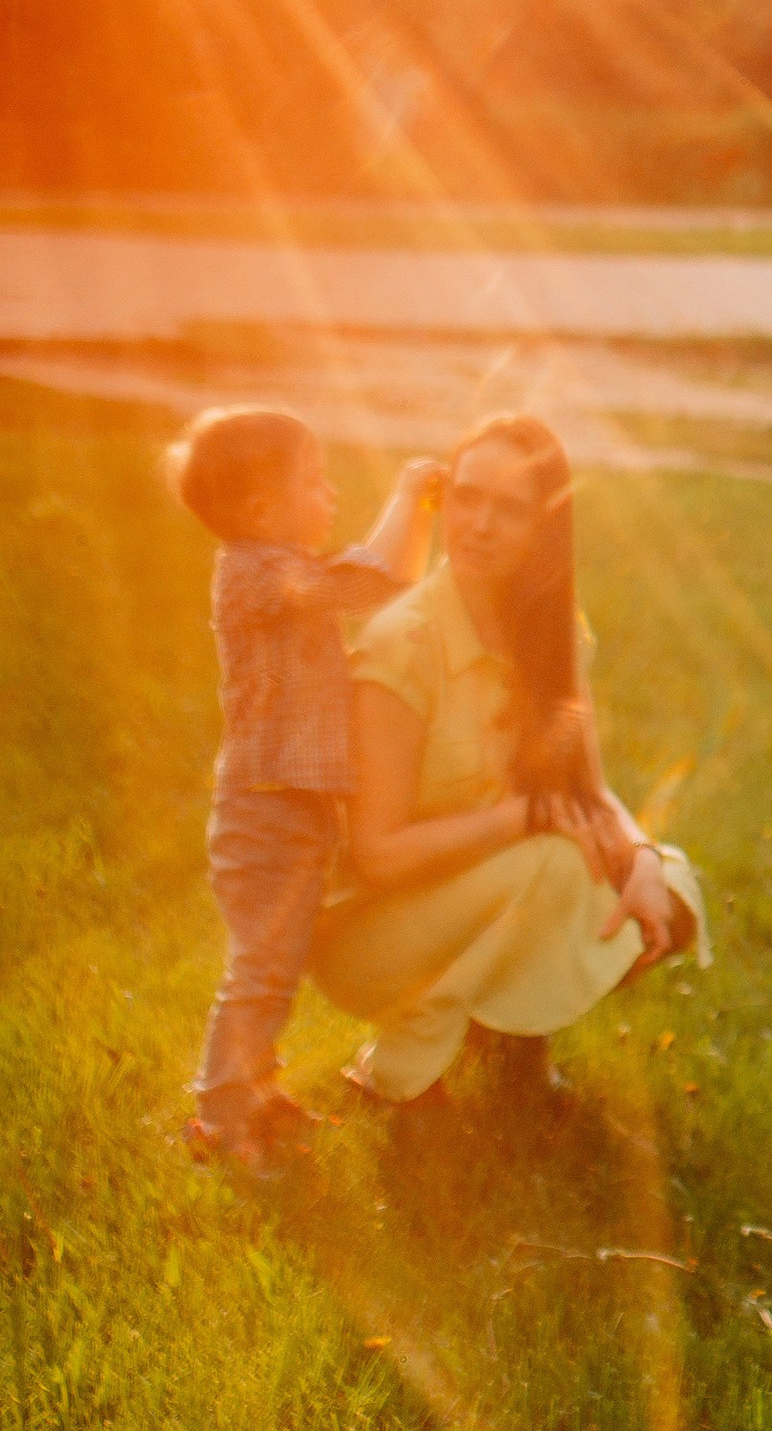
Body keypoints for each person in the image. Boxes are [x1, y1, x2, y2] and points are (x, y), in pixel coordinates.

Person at [311, 413, 707, 1119]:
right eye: (466, 497)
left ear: (544, 527)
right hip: (366, 932)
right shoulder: (402, 643)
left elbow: (587, 787)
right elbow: (375, 854)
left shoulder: (554, 632)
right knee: (556, 860)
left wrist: (639, 855)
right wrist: (520, 818)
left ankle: (505, 1038)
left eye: (509, 507)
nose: (479, 523)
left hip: (484, 889)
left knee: (669, 894)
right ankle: (402, 1069)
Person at [166, 405, 445, 1174]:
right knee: (260, 971)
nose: (328, 496)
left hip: (290, 812)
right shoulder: (258, 574)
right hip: (264, 815)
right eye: (315, 482)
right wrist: (410, 493)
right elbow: (371, 577)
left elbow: (389, 585)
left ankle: (256, 1092)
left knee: (276, 969)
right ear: (261, 510)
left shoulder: (277, 572)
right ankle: (222, 1119)